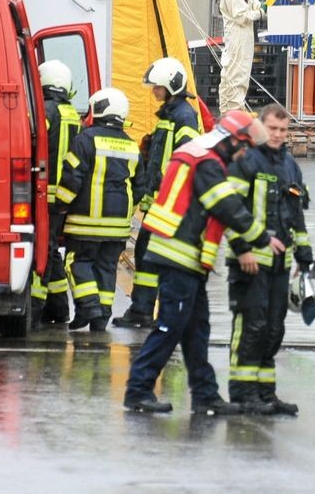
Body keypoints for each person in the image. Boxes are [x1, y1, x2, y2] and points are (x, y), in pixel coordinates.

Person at [124, 111, 286, 415]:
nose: (242, 154)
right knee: (171, 326)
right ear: (231, 140)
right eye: (242, 147)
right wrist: (261, 238)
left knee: (197, 328)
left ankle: (205, 395)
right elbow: (225, 206)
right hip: (180, 253)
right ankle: (138, 390)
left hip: (184, 254)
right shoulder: (208, 163)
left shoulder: (198, 152)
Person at [225, 103, 313, 415]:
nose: (277, 134)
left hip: (280, 263)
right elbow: (230, 209)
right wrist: (242, 248)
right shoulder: (245, 160)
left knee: (274, 329)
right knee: (251, 326)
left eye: (282, 129)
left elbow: (297, 213)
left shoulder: (291, 166)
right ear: (260, 127)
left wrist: (304, 255)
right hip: (249, 261)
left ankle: (265, 393)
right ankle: (242, 393)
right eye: (272, 128)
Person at [113, 57, 201, 329]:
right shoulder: (171, 114)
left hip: (169, 204)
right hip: (160, 202)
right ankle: (142, 310)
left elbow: (186, 158)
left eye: (158, 87)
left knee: (157, 258)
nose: (154, 91)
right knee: (145, 255)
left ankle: (154, 312)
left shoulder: (183, 116)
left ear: (171, 86)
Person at [52, 88, 139, 332]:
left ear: (99, 110)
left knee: (76, 262)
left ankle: (89, 306)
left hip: (84, 221)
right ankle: (101, 317)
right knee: (106, 268)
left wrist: (60, 206)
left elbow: (72, 178)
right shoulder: (131, 145)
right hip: (119, 226)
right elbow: (140, 186)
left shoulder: (84, 140)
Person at [31, 60, 80, 327]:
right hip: (63, 195)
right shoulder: (72, 112)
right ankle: (59, 308)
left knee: (44, 249)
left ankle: (36, 308)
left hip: (43, 194)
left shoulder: (45, 111)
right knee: (51, 250)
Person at [217, 0, 262, 114]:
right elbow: (242, 17)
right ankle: (230, 111)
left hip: (245, 39)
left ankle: (238, 109)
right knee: (234, 74)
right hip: (236, 38)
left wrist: (262, 7)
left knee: (242, 74)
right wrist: (261, 13)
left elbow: (254, 4)